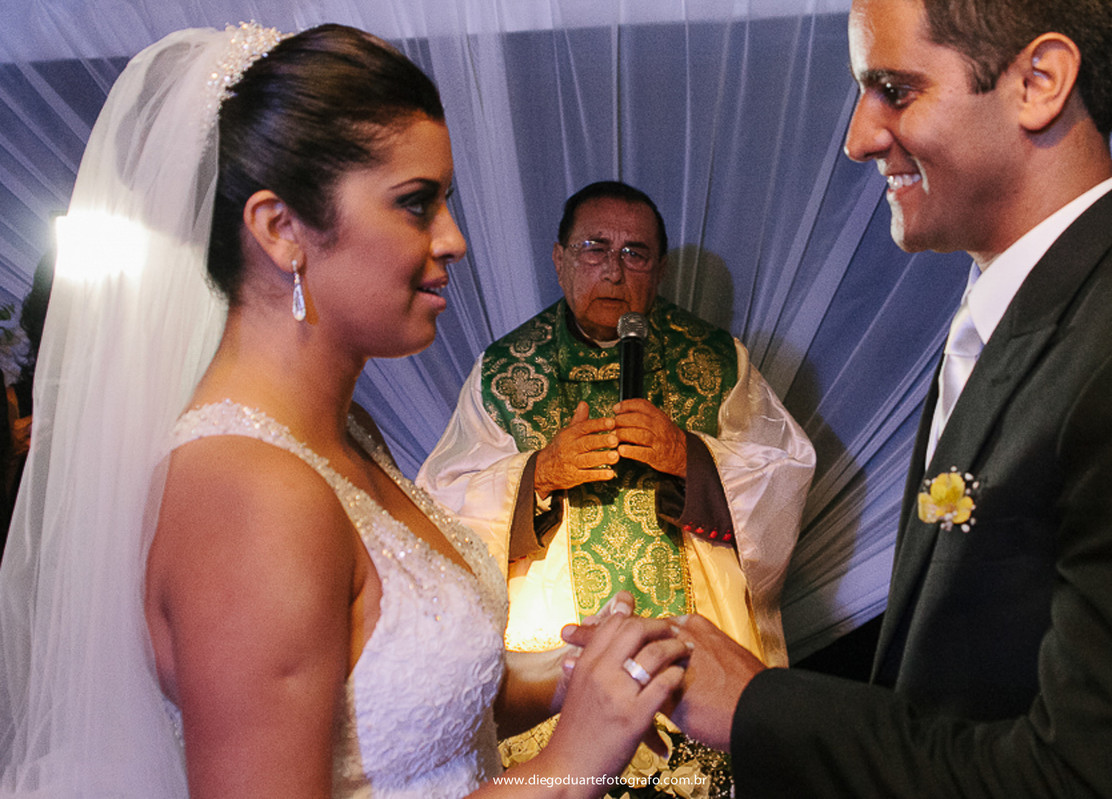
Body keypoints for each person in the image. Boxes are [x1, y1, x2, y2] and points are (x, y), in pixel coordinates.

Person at [0, 23, 689, 798]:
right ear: (281, 230)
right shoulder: (247, 493)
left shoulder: (343, 433)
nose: (455, 240)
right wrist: (569, 762)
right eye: (417, 204)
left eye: (446, 202)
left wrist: (575, 673)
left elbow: (407, 706)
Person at [600, 0, 1112, 795]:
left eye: (895, 89)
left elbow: (1091, 776)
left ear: (1040, 82)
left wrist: (757, 707)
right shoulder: (1018, 316)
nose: (857, 138)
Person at [418, 180, 814, 796]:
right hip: (552, 654)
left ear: (659, 270)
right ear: (559, 260)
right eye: (595, 248)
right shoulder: (506, 371)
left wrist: (688, 456)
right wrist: (537, 474)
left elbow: (782, 476)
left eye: (635, 253)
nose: (613, 270)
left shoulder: (716, 361)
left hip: (695, 634)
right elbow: (440, 509)